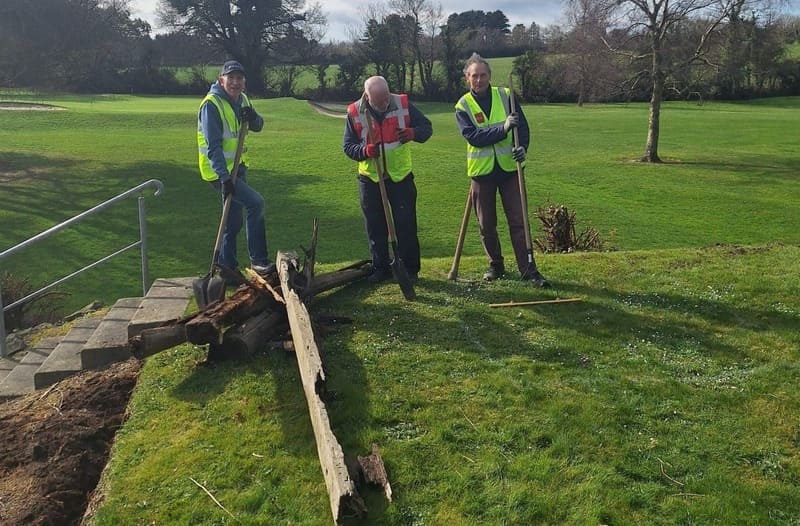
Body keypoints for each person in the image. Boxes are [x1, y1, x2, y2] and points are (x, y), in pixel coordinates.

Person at [455, 53, 551, 287]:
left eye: (483, 75)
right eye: (474, 76)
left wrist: (523, 148)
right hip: (482, 172)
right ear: (467, 78)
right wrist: (504, 127)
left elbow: (523, 127)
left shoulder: (505, 95)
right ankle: (495, 265)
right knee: (486, 223)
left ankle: (529, 269)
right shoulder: (462, 105)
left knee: (518, 221)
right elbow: (473, 137)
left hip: (510, 169)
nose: (479, 80)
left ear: (490, 76)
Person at [343, 76, 433, 283]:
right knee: (375, 227)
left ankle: (410, 269)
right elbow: (348, 146)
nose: (384, 103)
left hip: (400, 176)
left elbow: (426, 128)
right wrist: (364, 150)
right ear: (367, 96)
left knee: (406, 225)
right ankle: (380, 268)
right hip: (370, 178)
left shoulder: (402, 104)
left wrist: (412, 133)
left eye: (385, 98)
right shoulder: (355, 112)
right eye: (378, 100)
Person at [197, 60, 274, 278]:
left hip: (237, 169)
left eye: (239, 78)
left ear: (244, 81)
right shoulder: (211, 105)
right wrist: (224, 178)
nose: (235, 82)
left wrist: (252, 117)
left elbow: (258, 125)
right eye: (230, 78)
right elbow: (213, 147)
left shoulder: (243, 100)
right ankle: (259, 261)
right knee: (256, 203)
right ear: (221, 79)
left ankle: (227, 269)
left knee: (232, 221)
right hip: (218, 172)